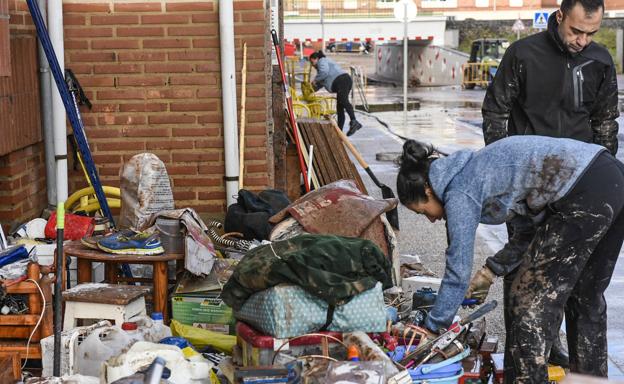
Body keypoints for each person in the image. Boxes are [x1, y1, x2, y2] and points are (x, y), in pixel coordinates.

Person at [397, 136, 624, 383]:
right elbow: (528, 232)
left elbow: (457, 270)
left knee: (528, 300)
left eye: (422, 211)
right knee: (585, 298)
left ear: (428, 190)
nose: (430, 219)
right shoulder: (480, 169)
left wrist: (432, 327)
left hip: (582, 193)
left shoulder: (460, 190)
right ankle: (590, 380)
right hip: (610, 177)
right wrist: (491, 270)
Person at [479, 0, 619, 375]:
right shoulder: (522, 54)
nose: (582, 40)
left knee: (586, 290)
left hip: (582, 189)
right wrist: (504, 177)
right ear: (559, 17)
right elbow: (496, 111)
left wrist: (599, 179)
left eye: (590, 33)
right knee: (525, 279)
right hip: (529, 190)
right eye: (576, 31)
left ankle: (588, 373)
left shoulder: (601, 61)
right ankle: (527, 363)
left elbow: (606, 122)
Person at [309, 51, 362, 136]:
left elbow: (324, 73)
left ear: (316, 58)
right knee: (340, 108)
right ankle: (339, 132)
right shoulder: (321, 70)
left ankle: (354, 121)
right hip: (342, 82)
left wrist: (315, 80)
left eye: (312, 62)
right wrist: (310, 89)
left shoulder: (322, 61)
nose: (312, 65)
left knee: (343, 100)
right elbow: (320, 83)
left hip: (341, 80)